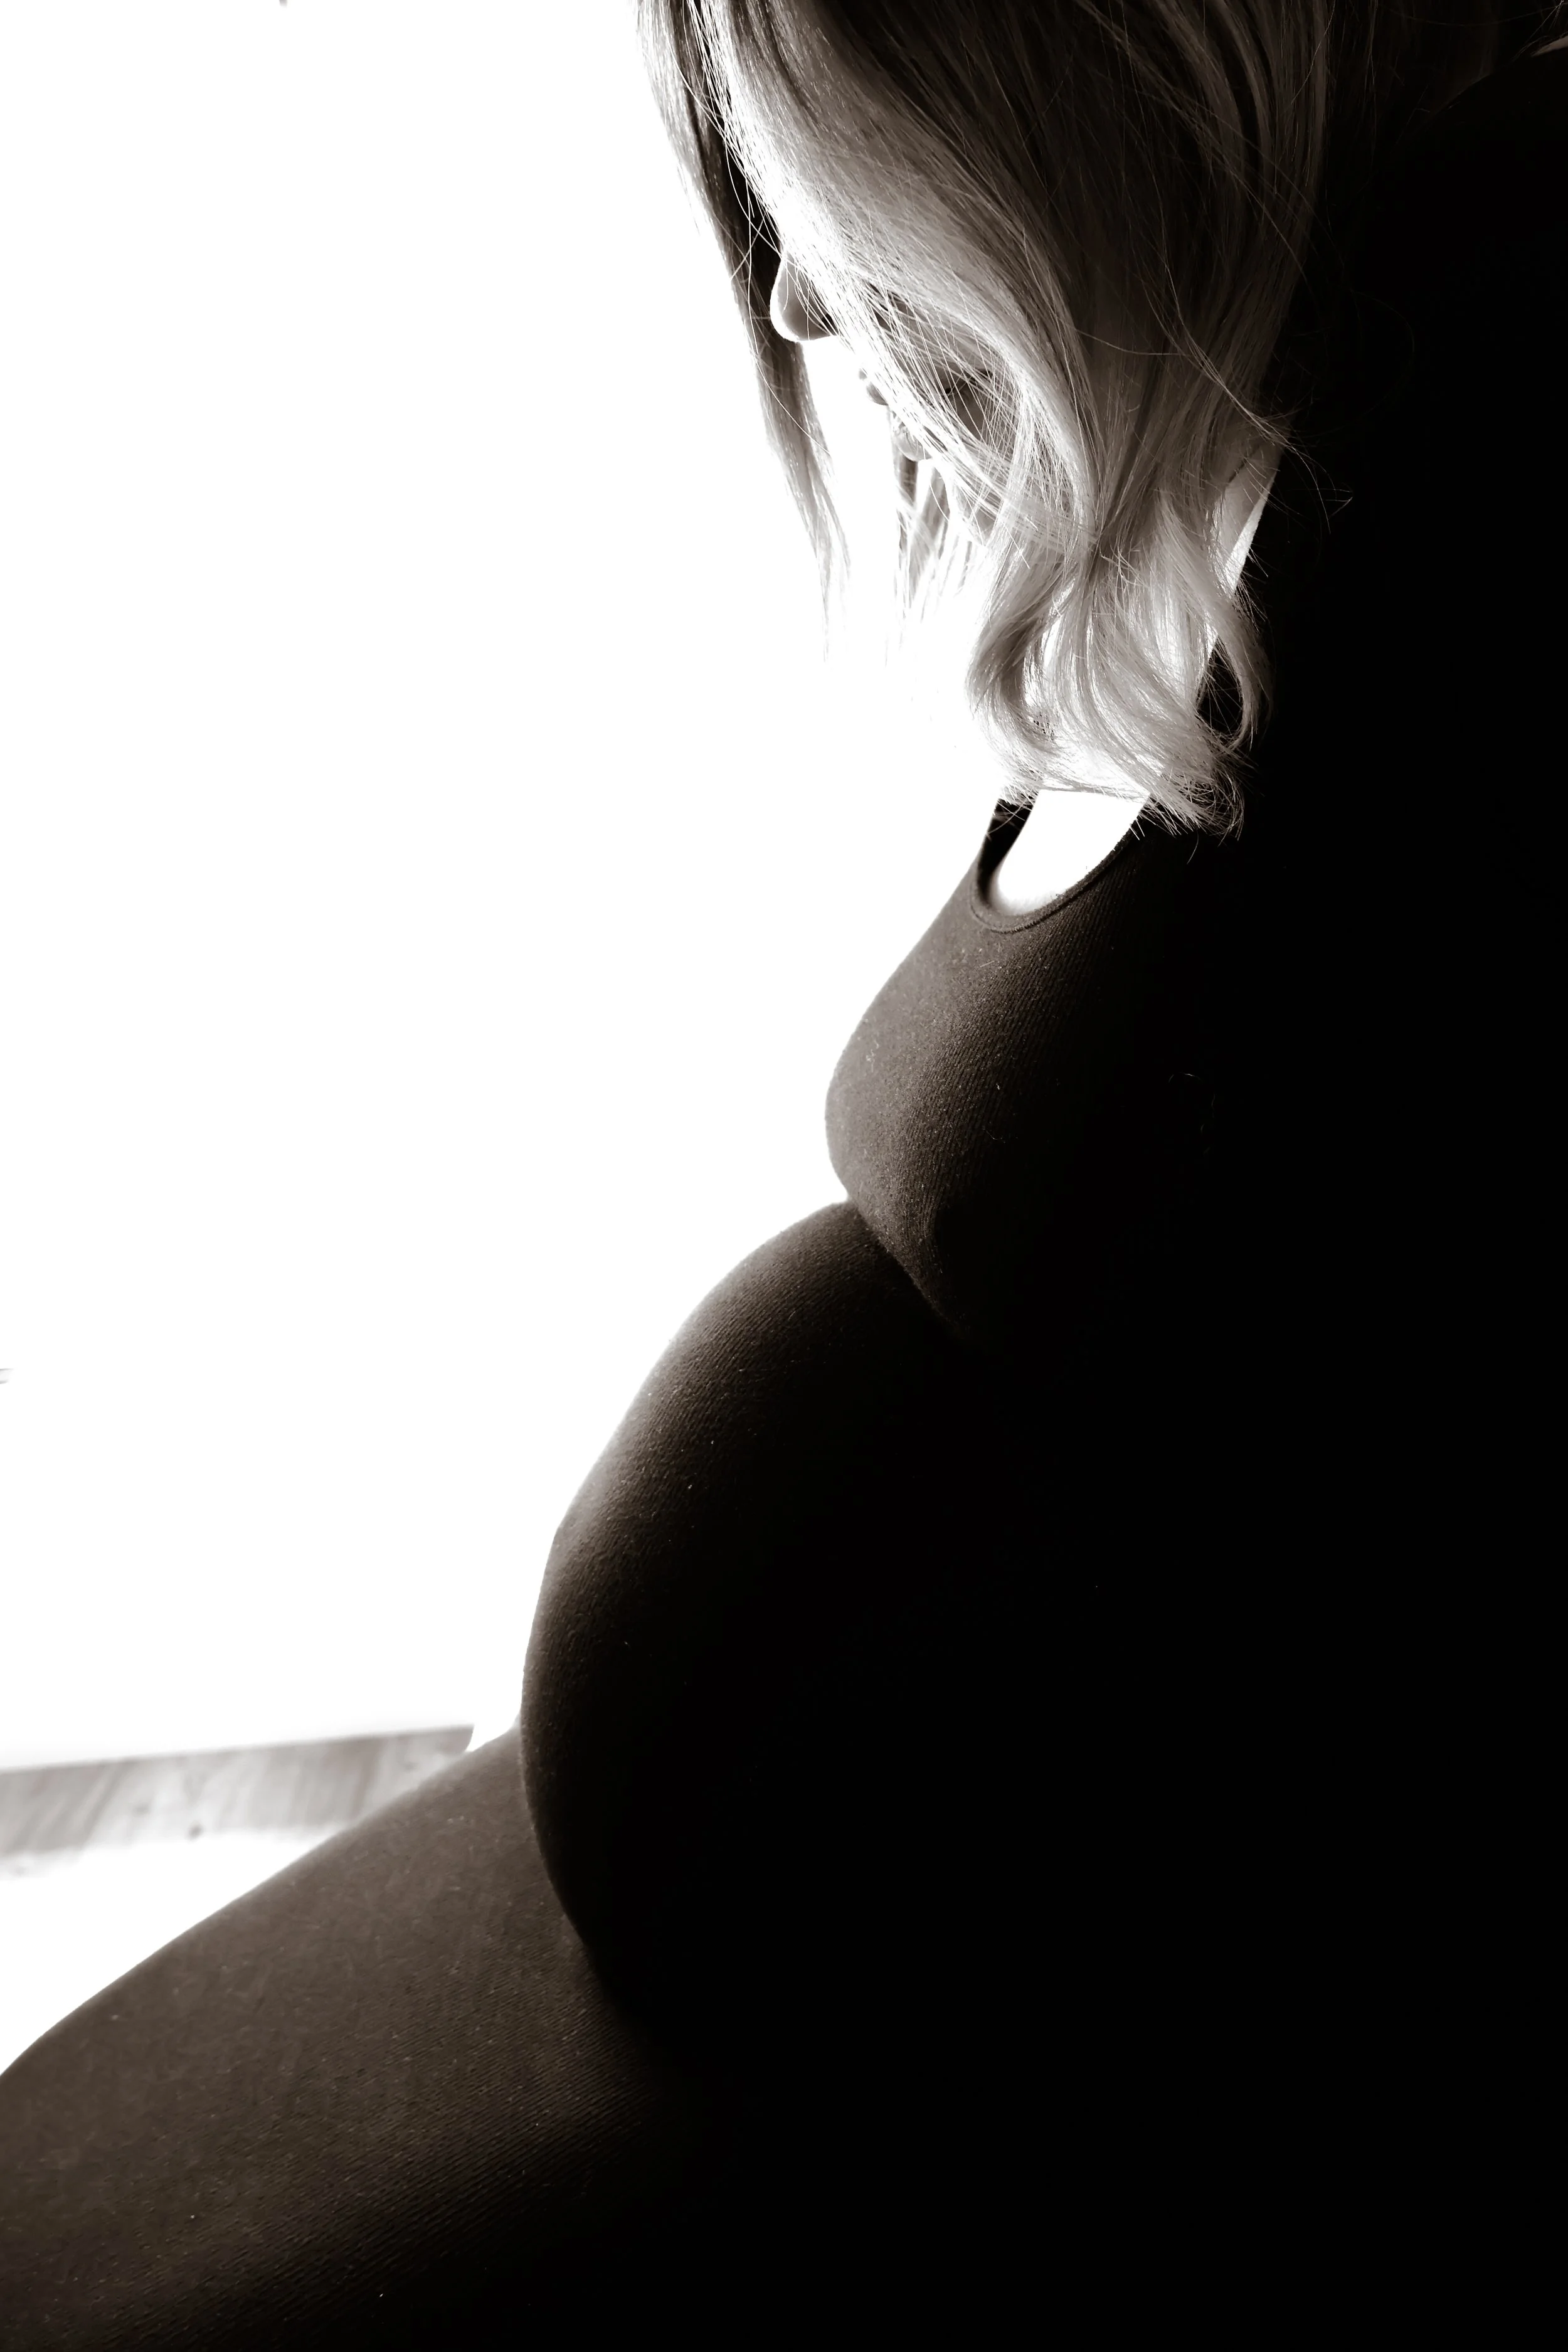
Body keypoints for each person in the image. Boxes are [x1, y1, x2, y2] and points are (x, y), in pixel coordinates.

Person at [2, 6, 1562, 2341]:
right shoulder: (1280, 453)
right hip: (719, 1950)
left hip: (1003, 2072)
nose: (807, 305)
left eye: (833, 181)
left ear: (1082, 86)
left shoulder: (1498, 443)